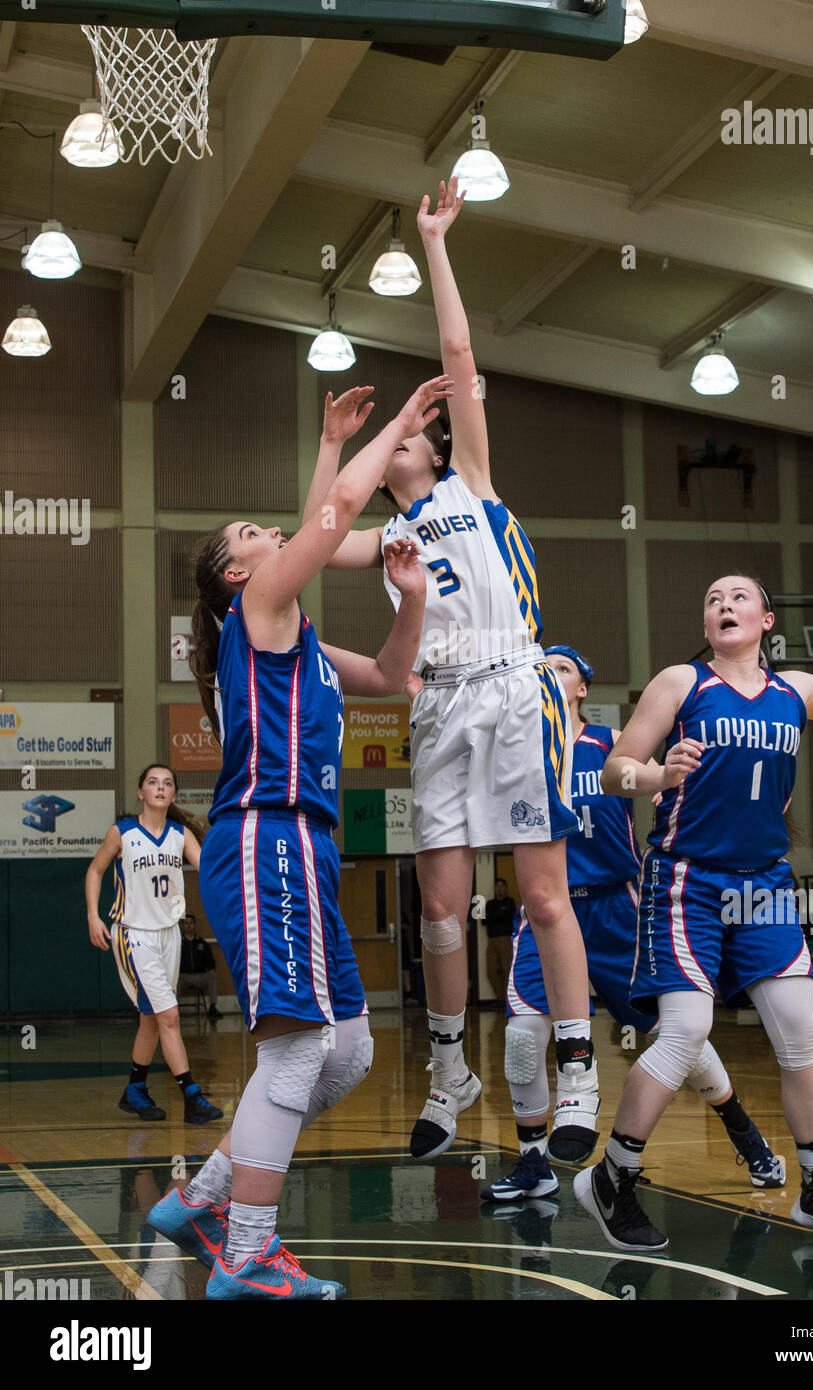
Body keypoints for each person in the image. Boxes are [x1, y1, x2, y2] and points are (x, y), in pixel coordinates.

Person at [145, 375, 447, 1301]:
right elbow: (333, 514)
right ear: (236, 575)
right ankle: (246, 1249)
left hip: (306, 848)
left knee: (347, 1049)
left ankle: (201, 1200)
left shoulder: (302, 638)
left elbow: (397, 675)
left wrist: (407, 597)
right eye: (249, 536)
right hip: (263, 837)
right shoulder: (258, 611)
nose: (267, 532)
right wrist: (395, 429)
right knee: (294, 1052)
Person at [311, 179, 595, 1161]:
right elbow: (315, 532)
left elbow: (462, 355)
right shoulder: (385, 531)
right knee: (438, 905)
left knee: (543, 891)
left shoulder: (471, 482)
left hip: (514, 685)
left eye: (414, 426)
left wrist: (434, 242)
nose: (409, 435)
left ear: (435, 439)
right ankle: (448, 1068)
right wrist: (335, 443)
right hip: (439, 704)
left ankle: (576, 1066)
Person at [574, 578, 813, 1252]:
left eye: (738, 597)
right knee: (685, 1030)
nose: (723, 605)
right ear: (706, 623)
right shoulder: (682, 683)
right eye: (711, 599)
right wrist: (656, 777)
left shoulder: (795, 690)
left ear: (766, 620)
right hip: (687, 879)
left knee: (800, 1034)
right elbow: (616, 767)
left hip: (764, 883)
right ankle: (613, 1176)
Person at [481, 644, 786, 1203]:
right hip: (546, 908)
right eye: (540, 669)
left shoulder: (607, 745)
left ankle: (745, 1131)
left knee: (675, 1034)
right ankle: (532, 1161)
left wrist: (663, 774)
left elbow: (646, 778)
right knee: (523, 1037)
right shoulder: (519, 752)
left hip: (614, 907)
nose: (549, 675)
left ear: (580, 690)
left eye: (563, 668)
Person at [86, 764, 223, 1126]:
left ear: (174, 795)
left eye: (167, 784)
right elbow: (95, 870)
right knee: (170, 1016)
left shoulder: (180, 835)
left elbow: (209, 868)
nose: (160, 788)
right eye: (153, 782)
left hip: (169, 934)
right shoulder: (123, 832)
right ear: (141, 792)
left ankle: (135, 1089)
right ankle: (192, 1097)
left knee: (151, 1018)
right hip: (134, 934)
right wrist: (93, 916)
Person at [178, 913, 221, 1020]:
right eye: (186, 923)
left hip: (199, 976)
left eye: (191, 923)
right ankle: (174, 1009)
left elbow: (210, 960)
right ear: (182, 925)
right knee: (173, 981)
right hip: (182, 976)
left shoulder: (202, 943)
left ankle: (212, 1007)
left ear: (194, 925)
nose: (189, 926)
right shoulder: (177, 943)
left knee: (213, 977)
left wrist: (212, 970)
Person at [484, 878, 516, 1004]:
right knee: (491, 971)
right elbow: (485, 921)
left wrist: (496, 915)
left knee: (507, 969)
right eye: (497, 886)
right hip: (492, 940)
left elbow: (510, 916)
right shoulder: (489, 904)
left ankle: (509, 999)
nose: (500, 889)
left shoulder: (510, 902)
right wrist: (500, 913)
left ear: (506, 888)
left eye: (502, 886)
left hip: (506, 939)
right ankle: (500, 997)